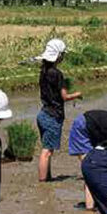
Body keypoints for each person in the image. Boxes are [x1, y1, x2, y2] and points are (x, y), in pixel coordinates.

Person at [36, 39, 81, 183]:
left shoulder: (43, 71)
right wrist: (77, 94)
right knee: (47, 151)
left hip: (43, 114)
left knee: (47, 149)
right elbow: (64, 96)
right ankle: (43, 183)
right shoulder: (57, 74)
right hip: (53, 116)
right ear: (59, 56)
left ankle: (47, 177)